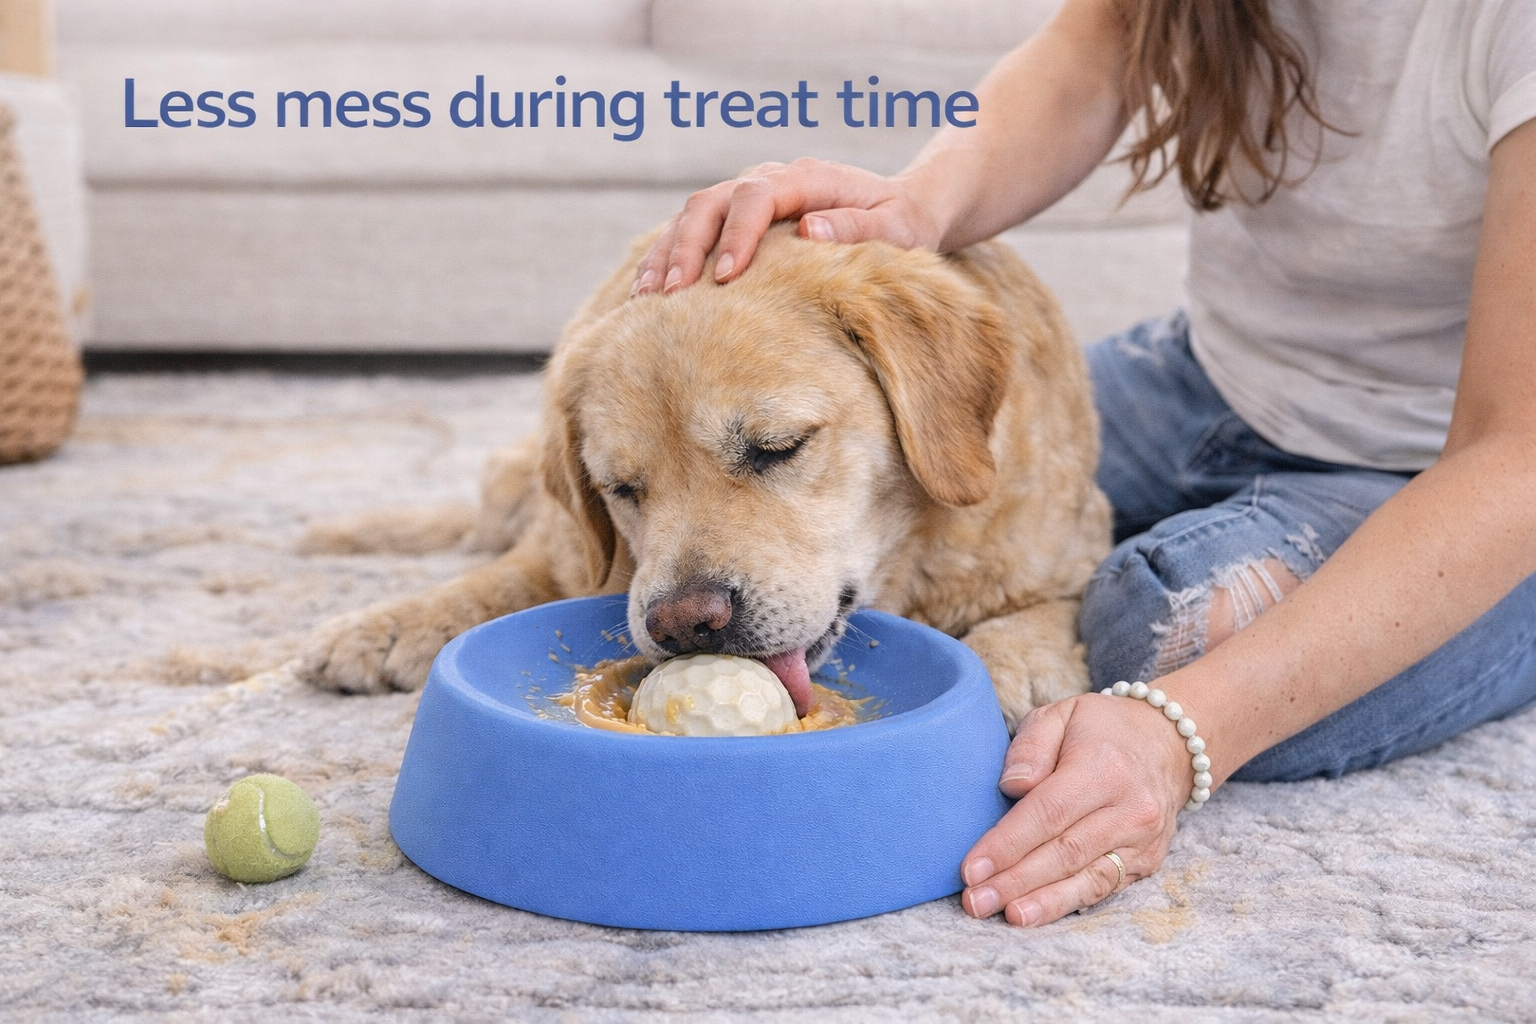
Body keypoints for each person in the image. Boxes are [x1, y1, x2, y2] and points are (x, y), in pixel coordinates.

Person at [630, 0, 1536, 927]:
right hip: (1210, 379)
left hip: (1460, 474)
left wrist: (1183, 733)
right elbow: (1099, 42)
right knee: (966, 456)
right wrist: (917, 204)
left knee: (1151, 631)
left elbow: (1518, 454)